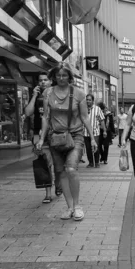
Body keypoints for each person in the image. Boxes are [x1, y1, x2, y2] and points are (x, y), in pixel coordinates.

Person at [37, 62, 96, 221]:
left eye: (64, 75)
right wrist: (42, 138)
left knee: (71, 169)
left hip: (75, 135)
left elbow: (84, 117)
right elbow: (45, 117)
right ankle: (69, 207)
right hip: (55, 137)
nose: (61, 78)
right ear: (54, 76)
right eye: (58, 75)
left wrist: (91, 138)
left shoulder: (79, 94)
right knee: (61, 172)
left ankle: (77, 206)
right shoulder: (48, 93)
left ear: (70, 77)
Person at [24, 72, 58, 203]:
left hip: (56, 134)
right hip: (40, 135)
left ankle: (59, 184)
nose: (43, 82)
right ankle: (48, 193)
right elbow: (28, 112)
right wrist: (34, 95)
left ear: (50, 81)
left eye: (45, 80)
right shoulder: (37, 96)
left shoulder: (55, 94)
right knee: (44, 163)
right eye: (40, 80)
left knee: (57, 162)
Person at [84, 94, 106, 168]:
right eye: (87, 99)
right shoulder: (83, 109)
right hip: (85, 132)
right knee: (88, 148)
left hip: (95, 132)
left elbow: (102, 120)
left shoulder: (97, 109)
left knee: (95, 147)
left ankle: (97, 162)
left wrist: (104, 130)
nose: (88, 101)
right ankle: (90, 162)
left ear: (93, 101)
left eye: (89, 100)